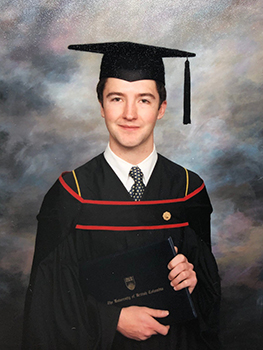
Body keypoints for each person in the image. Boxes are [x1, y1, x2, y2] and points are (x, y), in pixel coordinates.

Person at [22, 42, 221, 350]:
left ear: (162, 107)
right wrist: (110, 319)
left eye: (144, 99)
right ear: (101, 105)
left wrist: (193, 283)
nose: (130, 113)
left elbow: (211, 302)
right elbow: (47, 304)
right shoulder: (71, 194)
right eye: (117, 98)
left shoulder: (187, 189)